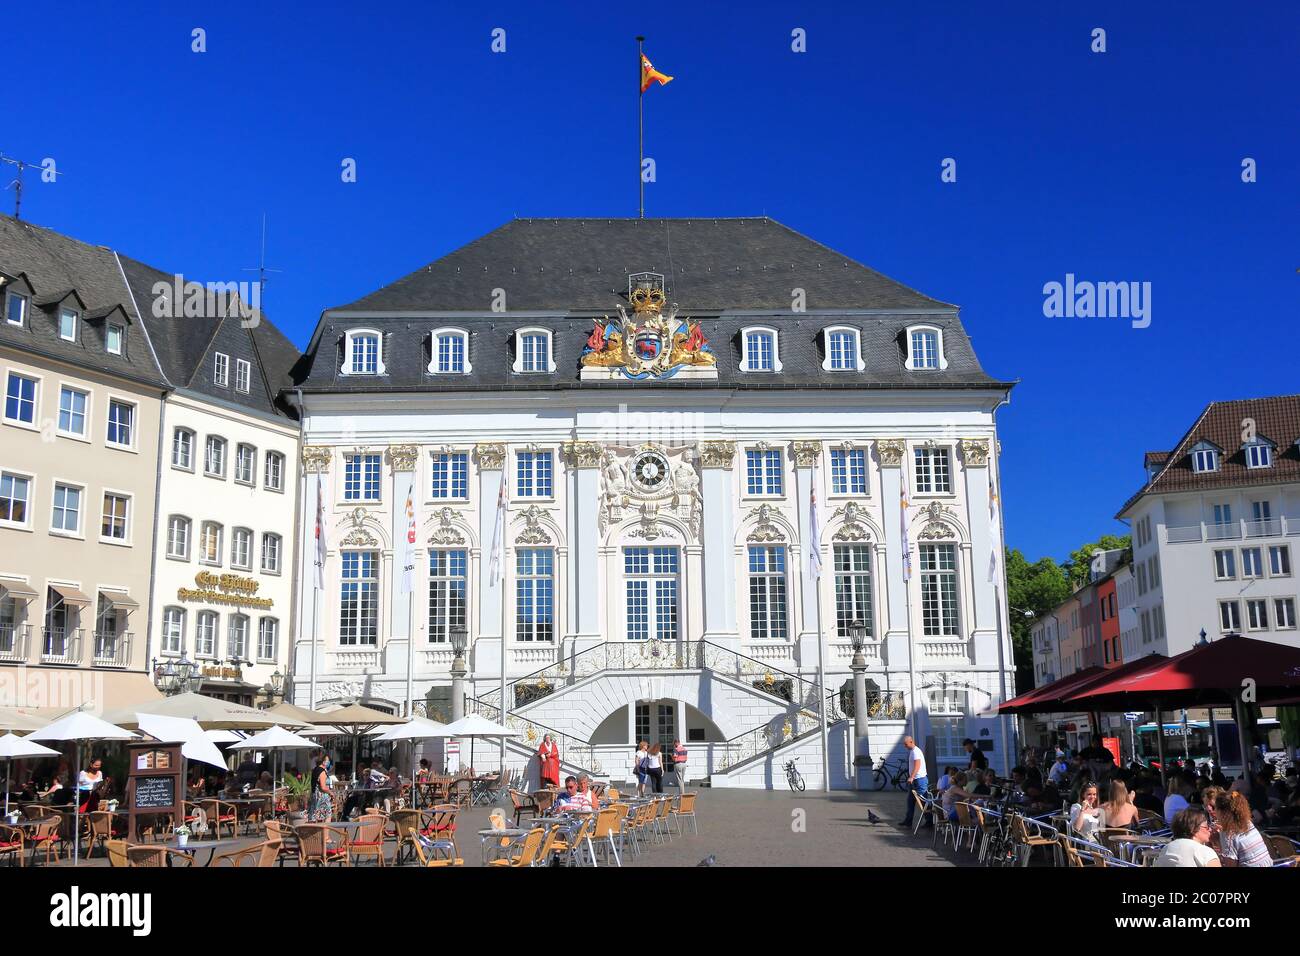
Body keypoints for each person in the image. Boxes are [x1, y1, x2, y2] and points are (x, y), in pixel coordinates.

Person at [1212, 791, 1272, 867]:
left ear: (1223, 812)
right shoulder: (1248, 823)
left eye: (1215, 808)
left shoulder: (1228, 835)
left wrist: (1218, 841)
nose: (1214, 811)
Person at [1154, 807, 1221, 867]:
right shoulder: (1205, 852)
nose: (1210, 829)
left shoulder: (1166, 849)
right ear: (1193, 829)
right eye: (1206, 827)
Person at [899, 736, 929, 829]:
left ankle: (929, 821)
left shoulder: (915, 752)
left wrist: (911, 777)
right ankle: (908, 821)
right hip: (916, 780)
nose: (905, 746)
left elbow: (917, 765)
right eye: (904, 744)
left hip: (919, 780)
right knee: (910, 801)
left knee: (923, 801)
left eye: (906, 744)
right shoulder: (913, 751)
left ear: (911, 742)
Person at [308, 752, 333, 822]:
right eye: (327, 760)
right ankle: (325, 832)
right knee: (327, 816)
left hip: (314, 795)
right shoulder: (322, 771)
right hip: (322, 797)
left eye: (328, 761)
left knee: (315, 816)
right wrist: (331, 792)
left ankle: (316, 832)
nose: (328, 762)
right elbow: (323, 787)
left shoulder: (315, 769)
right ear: (322, 761)